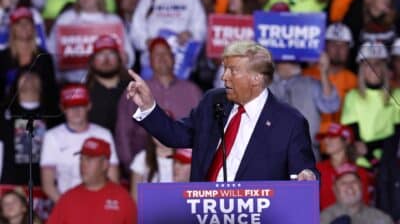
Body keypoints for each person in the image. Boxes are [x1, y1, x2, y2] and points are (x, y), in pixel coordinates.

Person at [126, 40, 318, 182]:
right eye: (224, 69)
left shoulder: (289, 122)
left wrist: (306, 176)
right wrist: (149, 106)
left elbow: (305, 172)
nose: (224, 77)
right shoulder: (213, 101)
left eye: (232, 71)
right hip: (204, 214)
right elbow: (176, 136)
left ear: (256, 79)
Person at [115, 37, 202, 179]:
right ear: (149, 61)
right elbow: (123, 132)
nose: (162, 58)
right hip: (144, 167)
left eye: (166, 53)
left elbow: (203, 130)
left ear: (174, 59)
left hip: (186, 168)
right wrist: (131, 167)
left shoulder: (193, 91)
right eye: (156, 54)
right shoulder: (136, 89)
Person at [40, 84, 120, 203]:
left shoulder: (104, 134)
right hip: (65, 202)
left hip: (98, 203)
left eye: (80, 106)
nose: (76, 111)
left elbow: (113, 179)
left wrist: (100, 205)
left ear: (89, 106)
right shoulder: (52, 136)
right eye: (70, 106)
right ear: (62, 108)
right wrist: (68, 208)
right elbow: (48, 185)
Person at [47, 137, 137, 224]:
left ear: (105, 164)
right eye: (81, 159)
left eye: (89, 159)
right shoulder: (68, 199)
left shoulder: (122, 199)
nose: (83, 164)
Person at [341, 42, 400, 169]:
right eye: (368, 64)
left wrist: (370, 149)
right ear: (362, 69)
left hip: (390, 161)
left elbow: (397, 134)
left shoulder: (396, 94)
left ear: (384, 68)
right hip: (360, 164)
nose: (373, 68)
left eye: (377, 64)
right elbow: (352, 133)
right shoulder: (352, 96)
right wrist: (369, 157)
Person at [303, 23, 358, 133]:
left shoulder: (354, 80)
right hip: (311, 134)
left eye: (343, 45)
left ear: (349, 48)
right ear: (324, 46)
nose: (338, 49)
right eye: (333, 44)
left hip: (341, 139)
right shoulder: (306, 75)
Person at [316, 123, 371, 210]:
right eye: (325, 137)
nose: (326, 141)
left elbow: (365, 205)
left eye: (332, 137)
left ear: (347, 141)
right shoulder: (317, 169)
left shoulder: (360, 171)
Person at [320, 164, 393, 224]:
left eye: (354, 182)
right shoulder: (322, 219)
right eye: (343, 183)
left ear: (361, 186)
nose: (349, 186)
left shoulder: (381, 219)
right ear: (335, 189)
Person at [86, 35, 130, 134]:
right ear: (92, 61)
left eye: (111, 54)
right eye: (101, 54)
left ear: (119, 59)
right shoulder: (84, 93)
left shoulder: (133, 89)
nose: (106, 59)